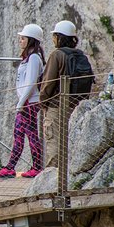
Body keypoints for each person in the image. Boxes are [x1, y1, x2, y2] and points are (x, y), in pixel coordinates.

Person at [0, 24, 45, 178]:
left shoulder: (34, 58)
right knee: (19, 134)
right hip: (26, 102)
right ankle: (11, 167)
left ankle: (36, 166)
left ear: (30, 40)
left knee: (30, 134)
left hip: (29, 102)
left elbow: (30, 84)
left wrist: (21, 103)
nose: (20, 41)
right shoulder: (30, 58)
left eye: (23, 38)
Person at [39, 20, 79, 168]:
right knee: (69, 143)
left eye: (55, 35)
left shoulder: (57, 55)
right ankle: (66, 179)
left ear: (60, 37)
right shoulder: (79, 55)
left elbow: (48, 82)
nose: (53, 39)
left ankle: (53, 183)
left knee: (54, 143)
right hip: (75, 105)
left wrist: (43, 102)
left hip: (56, 106)